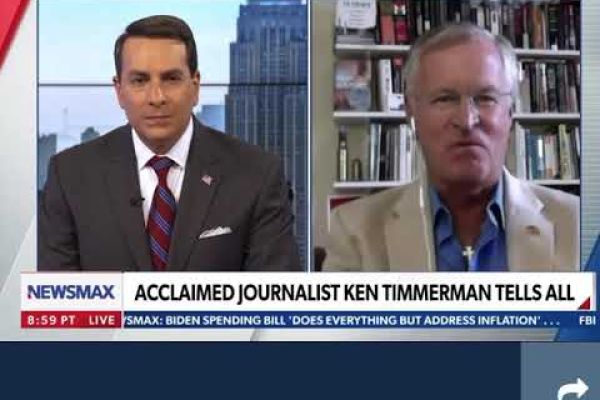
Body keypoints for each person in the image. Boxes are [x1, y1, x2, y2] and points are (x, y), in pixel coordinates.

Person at [39, 15, 301, 271]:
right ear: (119, 91)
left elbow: (275, 295)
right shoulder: (70, 175)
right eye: (140, 81)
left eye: (171, 79)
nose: (157, 97)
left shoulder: (257, 174)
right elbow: (57, 295)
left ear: (195, 86)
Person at [324, 23, 579, 272]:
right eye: (444, 99)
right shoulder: (355, 232)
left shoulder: (579, 224)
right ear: (411, 113)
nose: (466, 121)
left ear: (510, 113)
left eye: (485, 98)